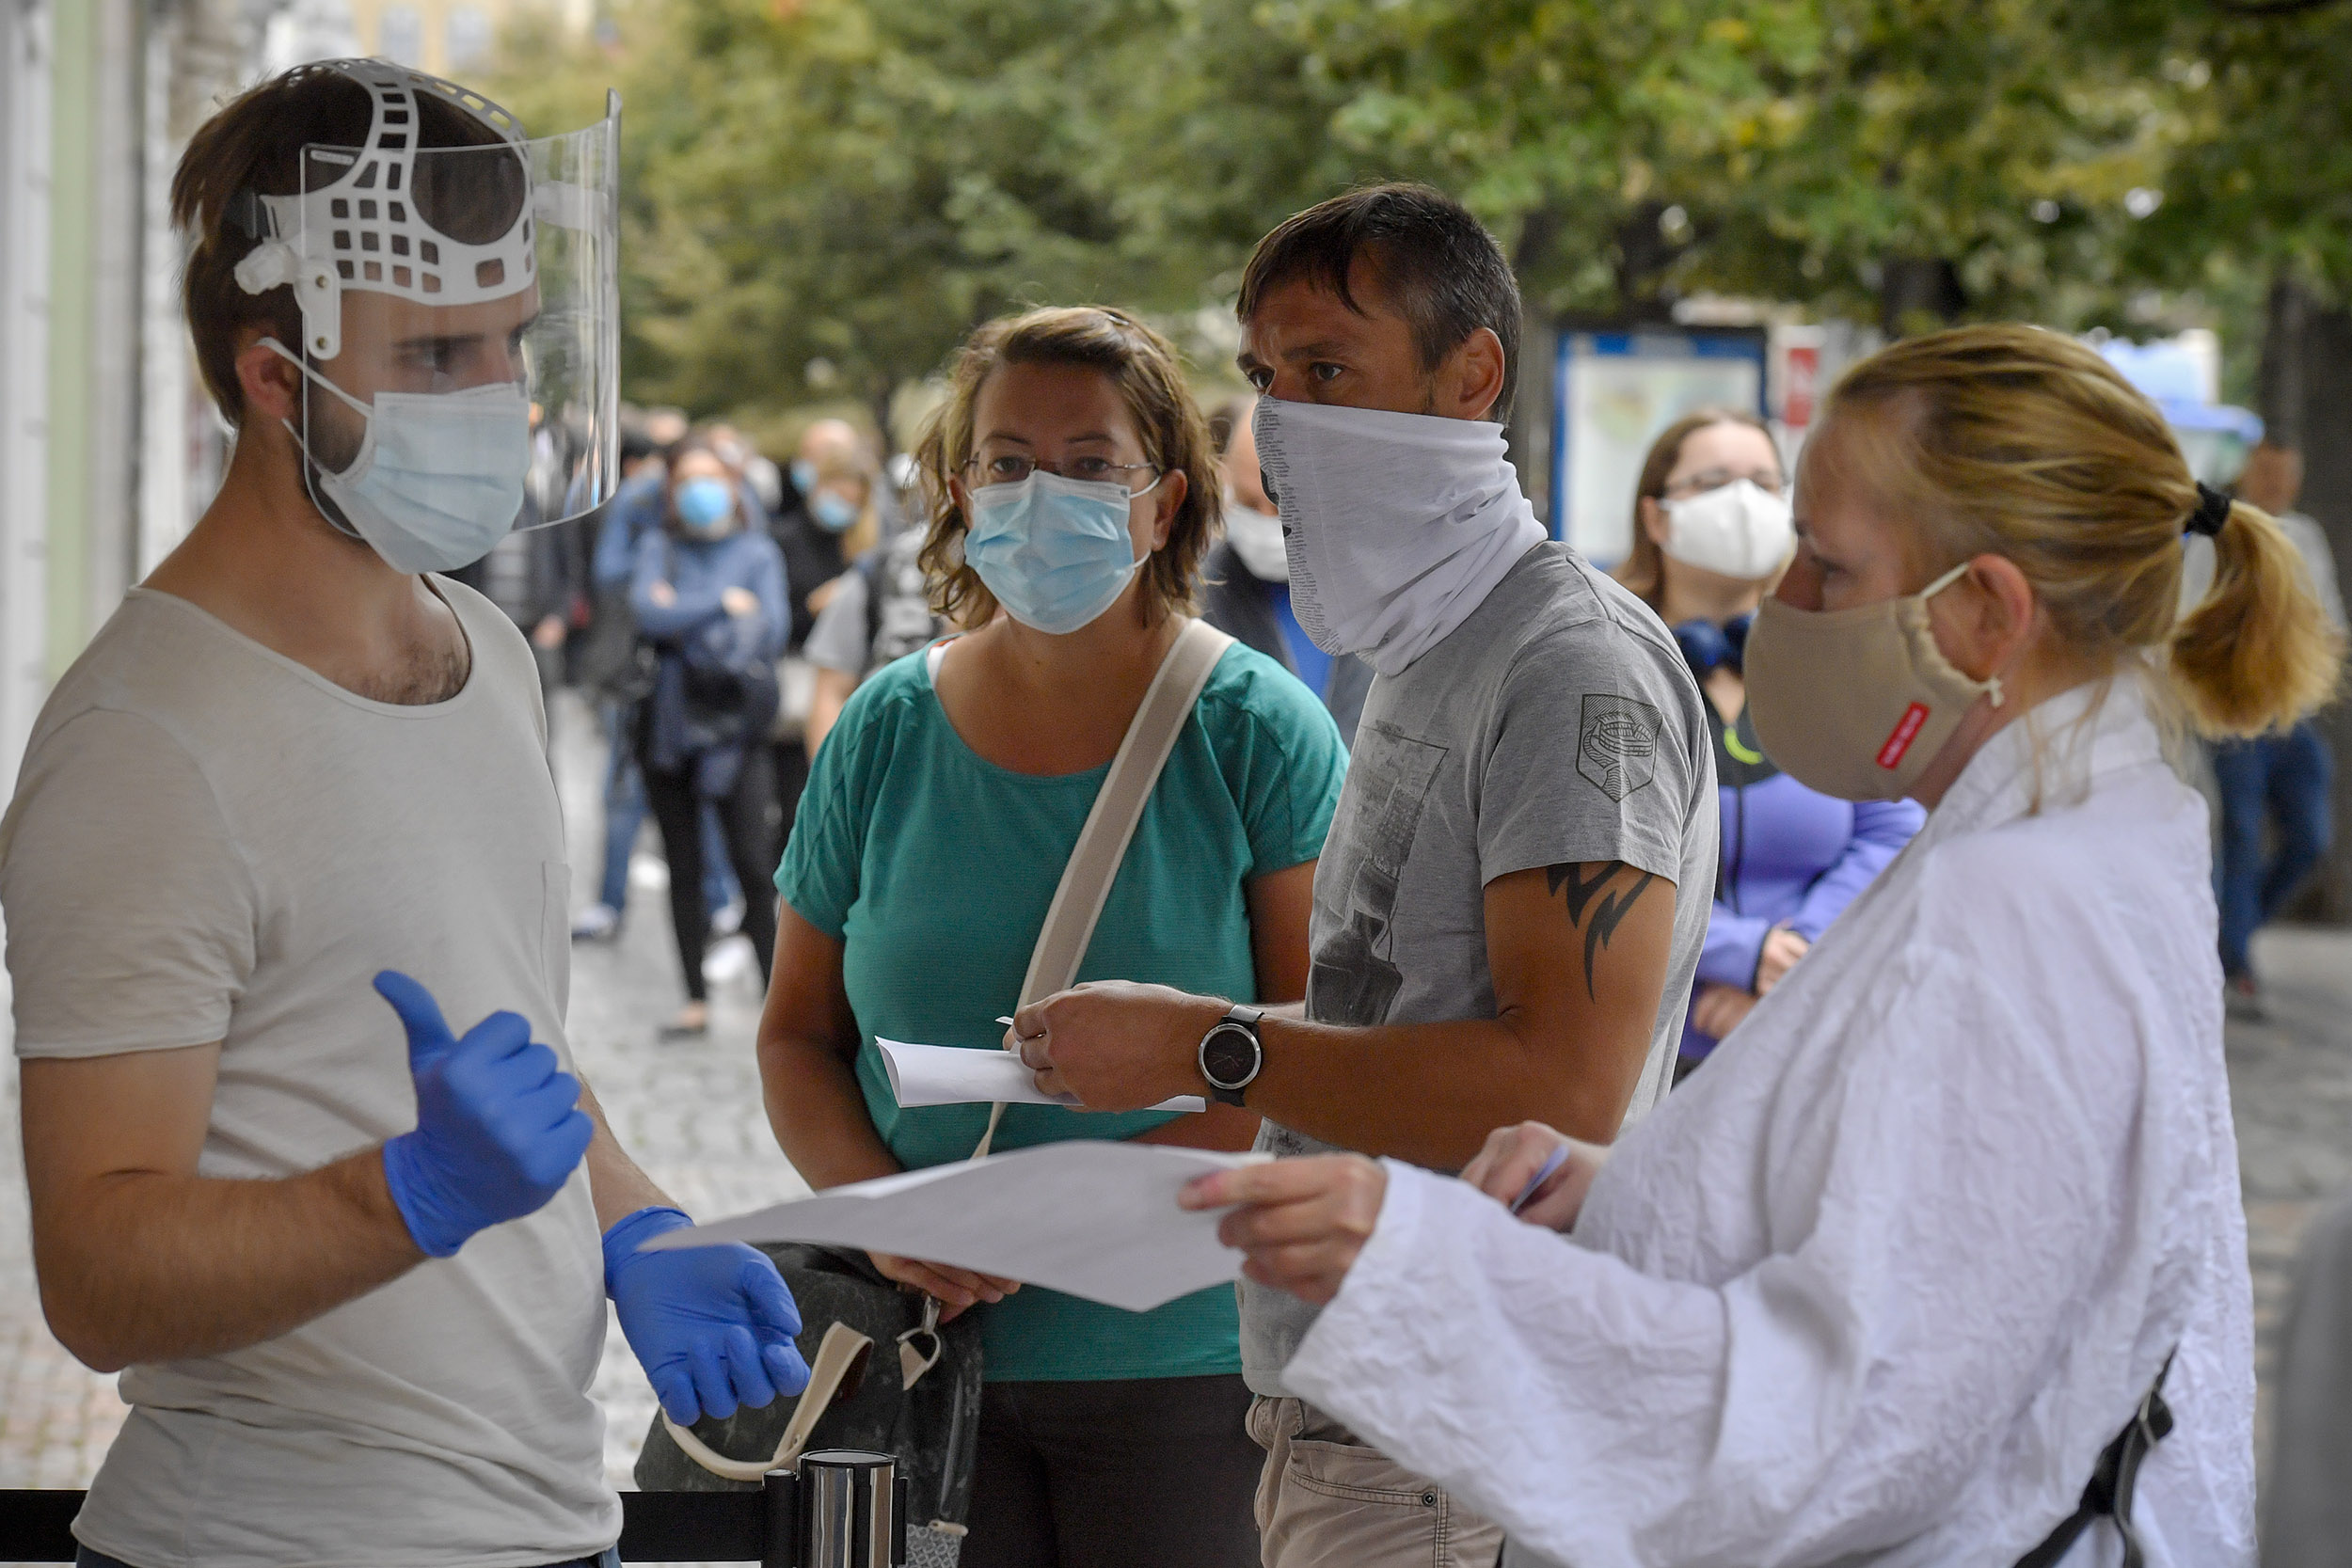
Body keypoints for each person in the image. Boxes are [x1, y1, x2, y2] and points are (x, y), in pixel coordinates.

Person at [1196, 323, 2347, 1568]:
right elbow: (1949, 1232)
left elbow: (1859, 1425)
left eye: (1827, 563)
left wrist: (1426, 1262)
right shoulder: (2106, 826)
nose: (1781, 601)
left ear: (1980, 614)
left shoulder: (2008, 904)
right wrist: (1628, 1196)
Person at [0, 60, 808, 1568]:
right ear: (270, 373)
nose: (497, 399)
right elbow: (99, 1276)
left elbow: (512, 1050)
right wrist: (406, 1192)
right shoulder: (143, 742)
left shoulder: (481, 646)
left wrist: (630, 1215)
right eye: (438, 356)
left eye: (510, 345)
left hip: (546, 1521)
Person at [1010, 184, 1717, 1568]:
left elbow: (1558, 1081)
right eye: (1267, 379)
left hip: (1461, 1431)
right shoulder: (1424, 643)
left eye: (1330, 369)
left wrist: (1202, 1045)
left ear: (1473, 377)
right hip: (1369, 1409)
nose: (1284, 426)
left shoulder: (1567, 668)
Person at [759, 305, 1350, 1568]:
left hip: (1186, 1367)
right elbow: (801, 1034)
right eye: (1009, 460)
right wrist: (879, 1209)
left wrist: (1074, 1213)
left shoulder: (1258, 728)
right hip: (915, 1358)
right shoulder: (880, 730)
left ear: (1163, 501)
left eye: (1093, 464)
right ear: (959, 488)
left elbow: (1331, 1055)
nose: (1044, 494)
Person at [1615, 409, 1924, 1068]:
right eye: (1715, 481)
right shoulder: (1605, 665)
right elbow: (1588, 857)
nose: (1744, 501)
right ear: (1657, 517)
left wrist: (1790, 962)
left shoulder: (1842, 664)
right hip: (1643, 1051)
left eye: (1763, 481)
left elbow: (1894, 827)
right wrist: (1737, 952)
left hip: (1812, 1035)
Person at [633, 435, 791, 1039]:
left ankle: (777, 997)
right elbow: (649, 614)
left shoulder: (757, 551)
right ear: (672, 493)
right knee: (685, 865)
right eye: (687, 479)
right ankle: (693, 997)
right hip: (670, 729)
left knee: (756, 864)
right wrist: (722, 606)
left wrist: (688, 615)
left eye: (712, 477)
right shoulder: (659, 545)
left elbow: (767, 630)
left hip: (737, 730)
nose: (701, 490)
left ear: (733, 486)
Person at [572, 421, 743, 944]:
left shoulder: (736, 518)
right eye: (687, 479)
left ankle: (721, 902)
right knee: (624, 794)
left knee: (709, 794)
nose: (701, 491)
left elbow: (755, 601)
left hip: (704, 681)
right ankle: (609, 903)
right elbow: (627, 591)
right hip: (636, 676)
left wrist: (681, 604)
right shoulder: (643, 515)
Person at [2201, 439, 2345, 1015]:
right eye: (2267, 473)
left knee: (2311, 835)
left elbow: (2330, 622)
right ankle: (2236, 963)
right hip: (2235, 713)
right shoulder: (2217, 530)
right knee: (2239, 833)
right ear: (2248, 473)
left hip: (2291, 712)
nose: (2276, 485)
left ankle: (2228, 935)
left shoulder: (2305, 536)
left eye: (2286, 476)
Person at [1200, 395, 1374, 745]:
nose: (1266, 522)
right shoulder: (1198, 597)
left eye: (1282, 505)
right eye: (1249, 503)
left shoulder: (1385, 595)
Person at [801, 513, 948, 756]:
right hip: (887, 757)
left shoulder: (1015, 570)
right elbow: (831, 690)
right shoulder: (883, 568)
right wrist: (832, 785)